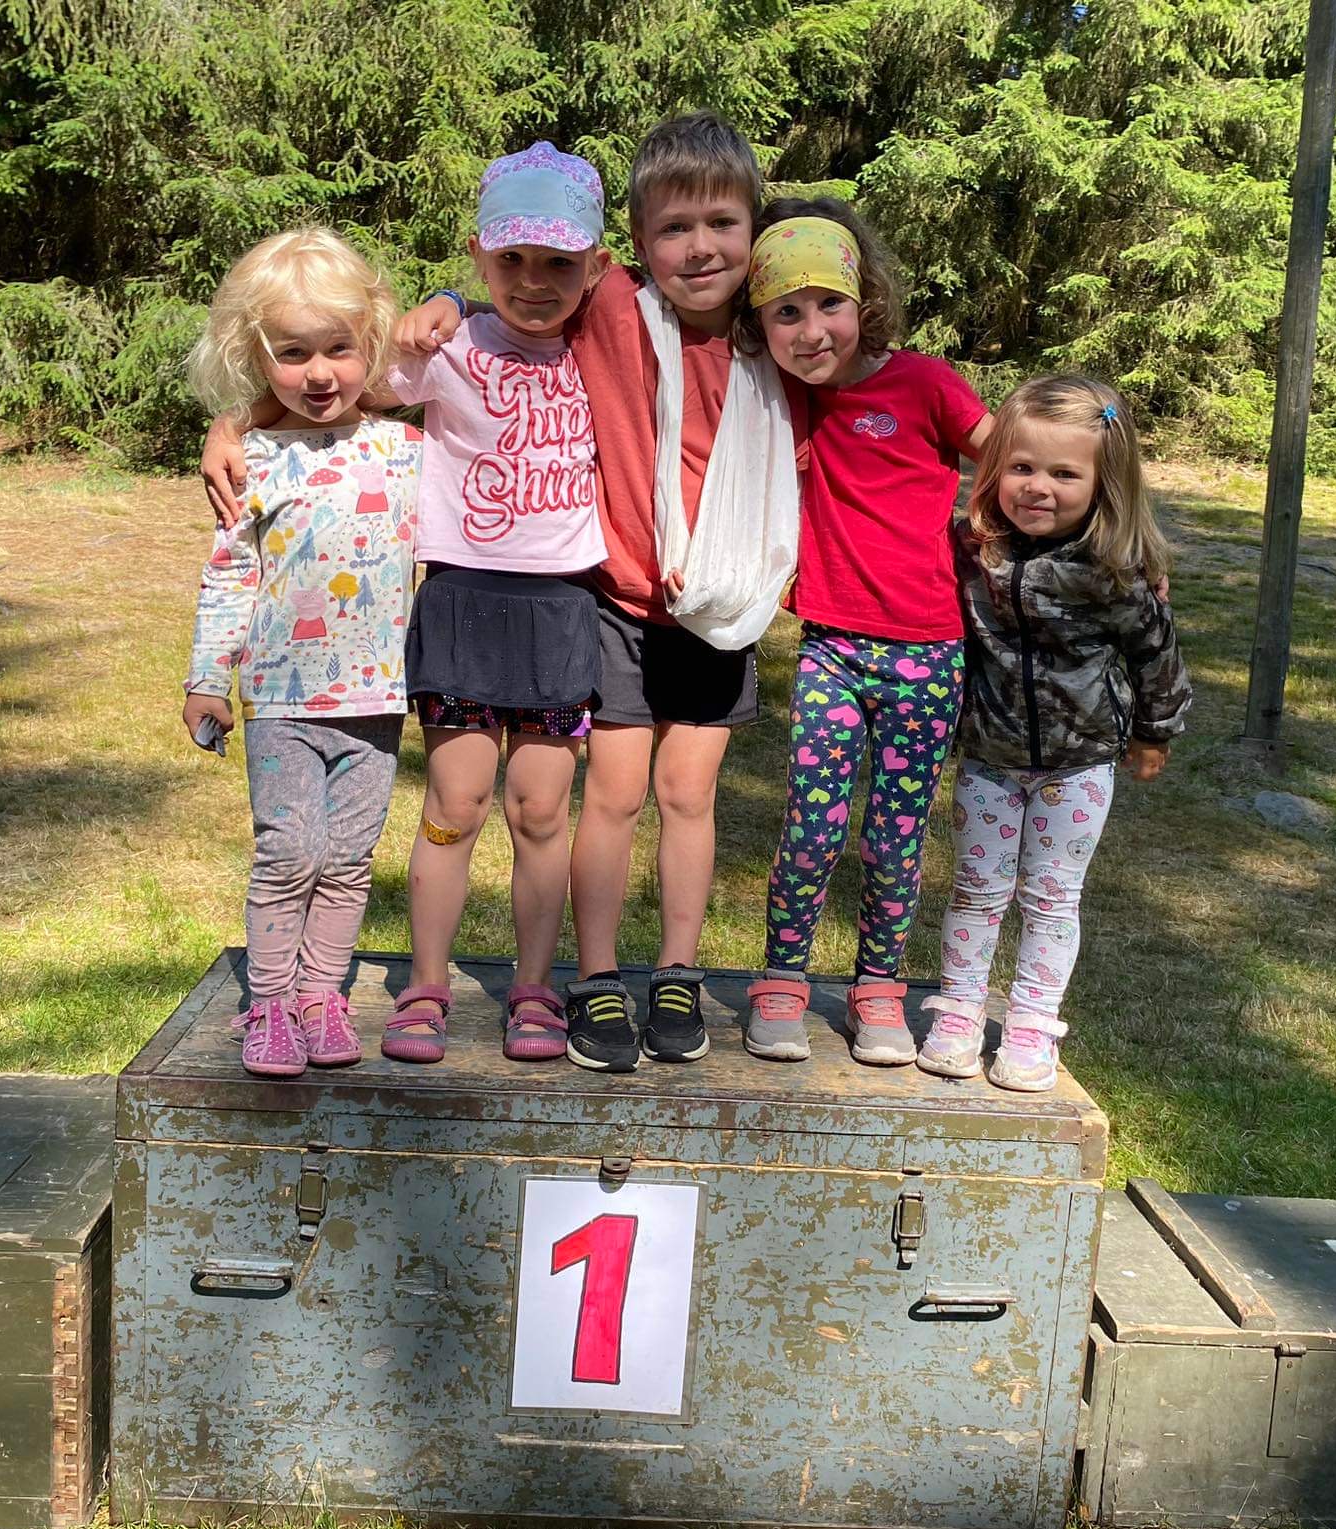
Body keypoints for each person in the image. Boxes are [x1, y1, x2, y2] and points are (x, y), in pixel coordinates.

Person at [388, 113, 801, 1074]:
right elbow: (515, 290)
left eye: (723, 225)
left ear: (756, 232)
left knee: (685, 794)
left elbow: (864, 360)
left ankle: (678, 973)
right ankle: (595, 978)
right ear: (638, 248)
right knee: (602, 798)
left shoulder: (777, 339)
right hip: (607, 601)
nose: (699, 247)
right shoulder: (612, 309)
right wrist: (445, 297)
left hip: (717, 610)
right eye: (674, 228)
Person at [735, 200, 993, 1066]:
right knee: (811, 829)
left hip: (930, 653)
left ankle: (879, 989)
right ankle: (781, 980)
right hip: (832, 651)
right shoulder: (784, 399)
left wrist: (998, 529)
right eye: (786, 312)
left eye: (829, 304)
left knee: (895, 838)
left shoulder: (926, 383)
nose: (812, 331)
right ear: (760, 325)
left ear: (865, 300)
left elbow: (1008, 456)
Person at [181, 227, 418, 1078]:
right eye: (293, 353)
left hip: (378, 700)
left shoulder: (407, 450)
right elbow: (230, 575)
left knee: (349, 861)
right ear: (257, 356)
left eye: (338, 349)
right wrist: (208, 678)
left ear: (370, 342)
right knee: (289, 855)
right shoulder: (252, 462)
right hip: (282, 701)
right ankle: (271, 1004)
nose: (319, 372)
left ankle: (322, 996)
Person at [919, 374, 1191, 1091]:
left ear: (1104, 484)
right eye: (1022, 467)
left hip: (1080, 766)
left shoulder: (1114, 571)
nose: (1038, 487)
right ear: (994, 468)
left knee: (1051, 898)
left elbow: (1157, 656)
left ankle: (1033, 1026)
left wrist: (1155, 732)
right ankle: (959, 1013)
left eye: (1065, 474)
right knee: (976, 891)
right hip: (989, 757)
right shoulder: (972, 550)